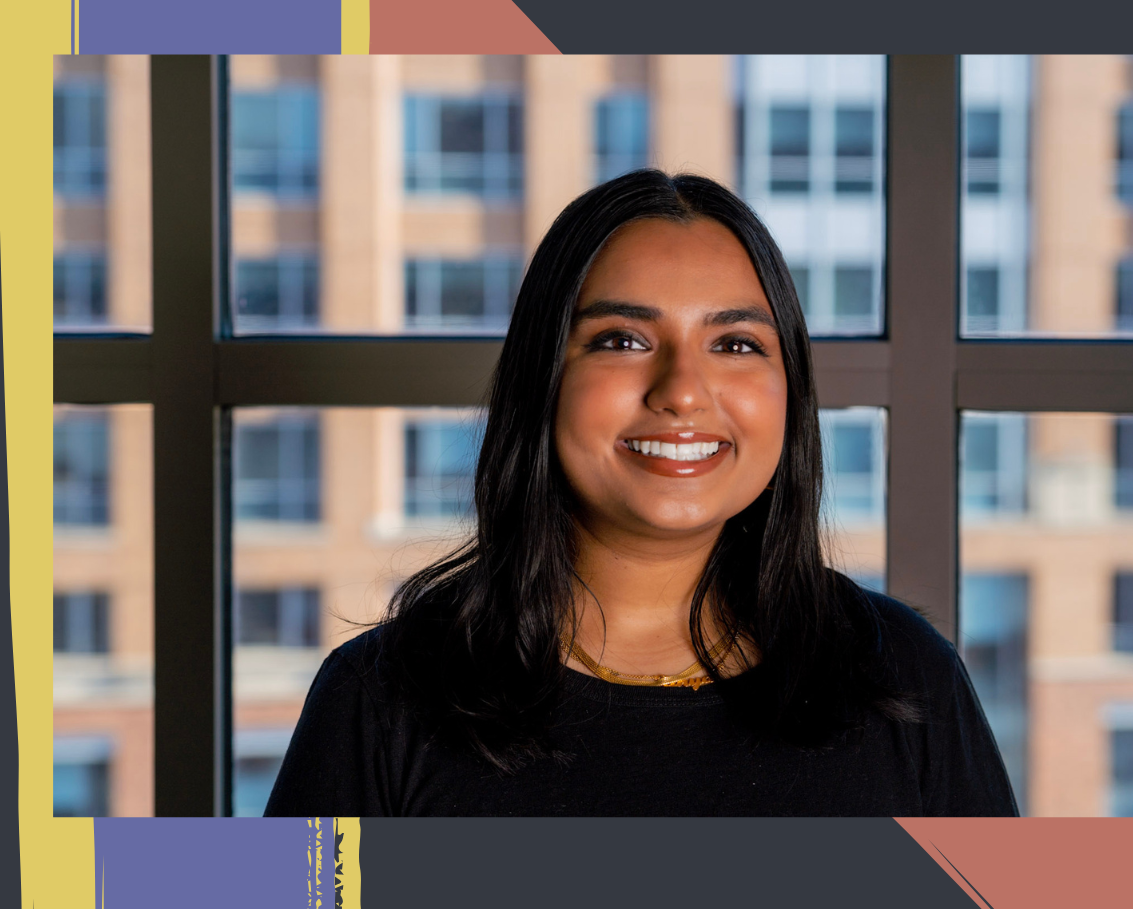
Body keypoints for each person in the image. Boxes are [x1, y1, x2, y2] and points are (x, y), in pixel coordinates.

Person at [263, 171, 1018, 817]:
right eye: (622, 340)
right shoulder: (379, 701)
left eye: (736, 344)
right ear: (544, 379)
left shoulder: (904, 676)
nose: (683, 391)